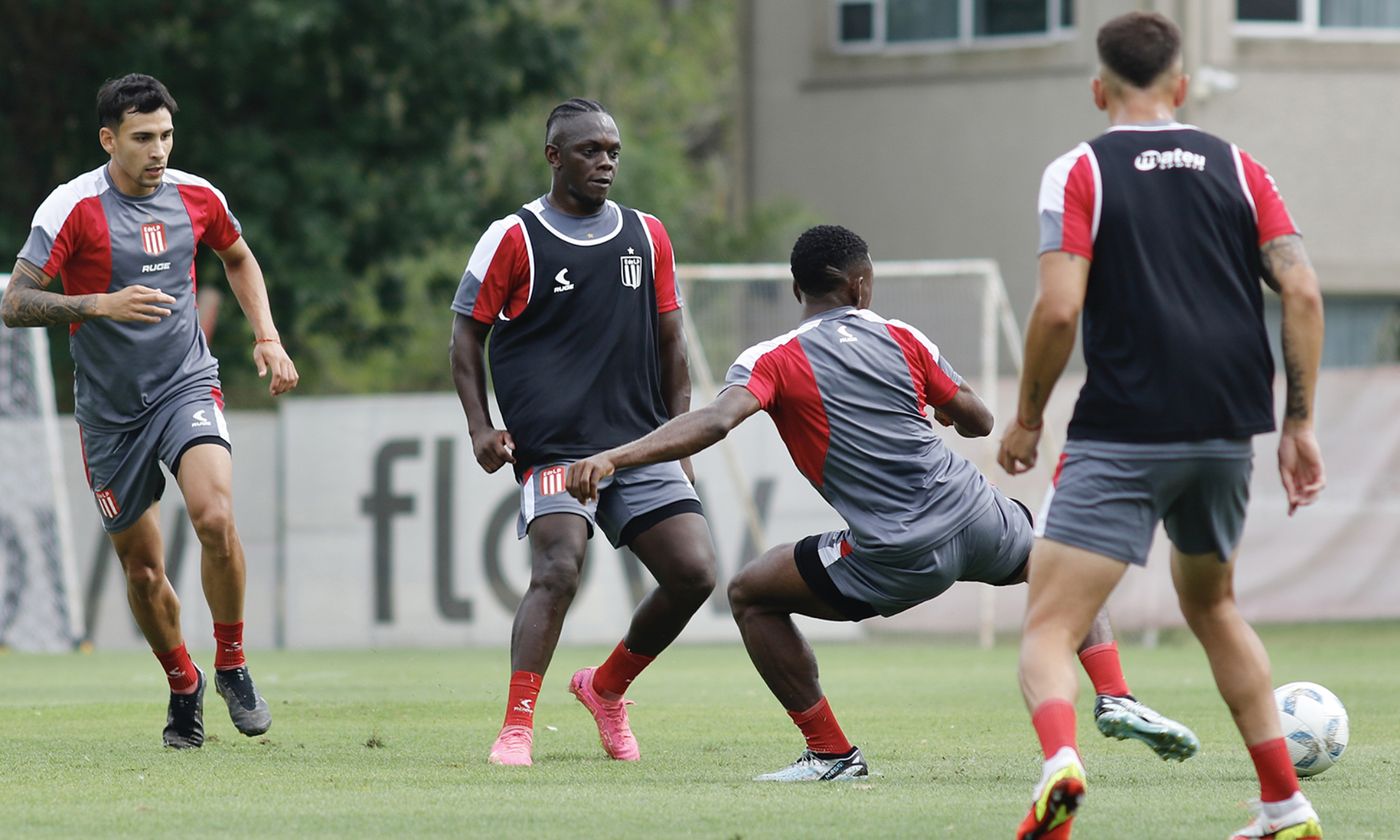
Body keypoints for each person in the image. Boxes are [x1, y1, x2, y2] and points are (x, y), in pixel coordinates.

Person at [565, 224, 1195, 782]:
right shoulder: (901, 335)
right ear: (861, 285)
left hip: (898, 552)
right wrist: (937, 406)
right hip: (977, 515)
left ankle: (831, 755)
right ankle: (1114, 693)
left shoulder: (771, 359)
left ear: (798, 292)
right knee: (1066, 562)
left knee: (751, 593)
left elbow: (714, 421)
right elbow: (978, 418)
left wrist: (616, 458)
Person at [996, 12, 1327, 840]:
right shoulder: (1240, 167)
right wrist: (1299, 426)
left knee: (1048, 626)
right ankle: (1285, 804)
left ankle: (1060, 769)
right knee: (1214, 606)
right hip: (1226, 426)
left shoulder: (1078, 169)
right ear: (1180, 86)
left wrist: (1030, 415)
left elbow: (1059, 305)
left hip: (1124, 429)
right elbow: (1304, 291)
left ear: (1099, 88)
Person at [1, 74, 298, 748]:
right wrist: (96, 304)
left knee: (215, 516)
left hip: (185, 385)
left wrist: (268, 338)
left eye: (165, 134)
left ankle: (231, 662)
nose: (158, 149)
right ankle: (183, 681)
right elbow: (14, 301)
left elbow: (239, 257)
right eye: (142, 138)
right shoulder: (70, 208)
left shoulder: (198, 196)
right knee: (142, 570)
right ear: (110, 140)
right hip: (109, 416)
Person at [449, 98, 718, 767]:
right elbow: (465, 335)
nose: (606, 162)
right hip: (554, 451)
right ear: (553, 157)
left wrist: (678, 439)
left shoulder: (647, 234)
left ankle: (606, 689)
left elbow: (671, 342)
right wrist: (481, 428)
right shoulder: (514, 236)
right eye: (591, 151)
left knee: (694, 572)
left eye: (613, 151)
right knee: (560, 566)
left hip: (637, 442)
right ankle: (516, 727)